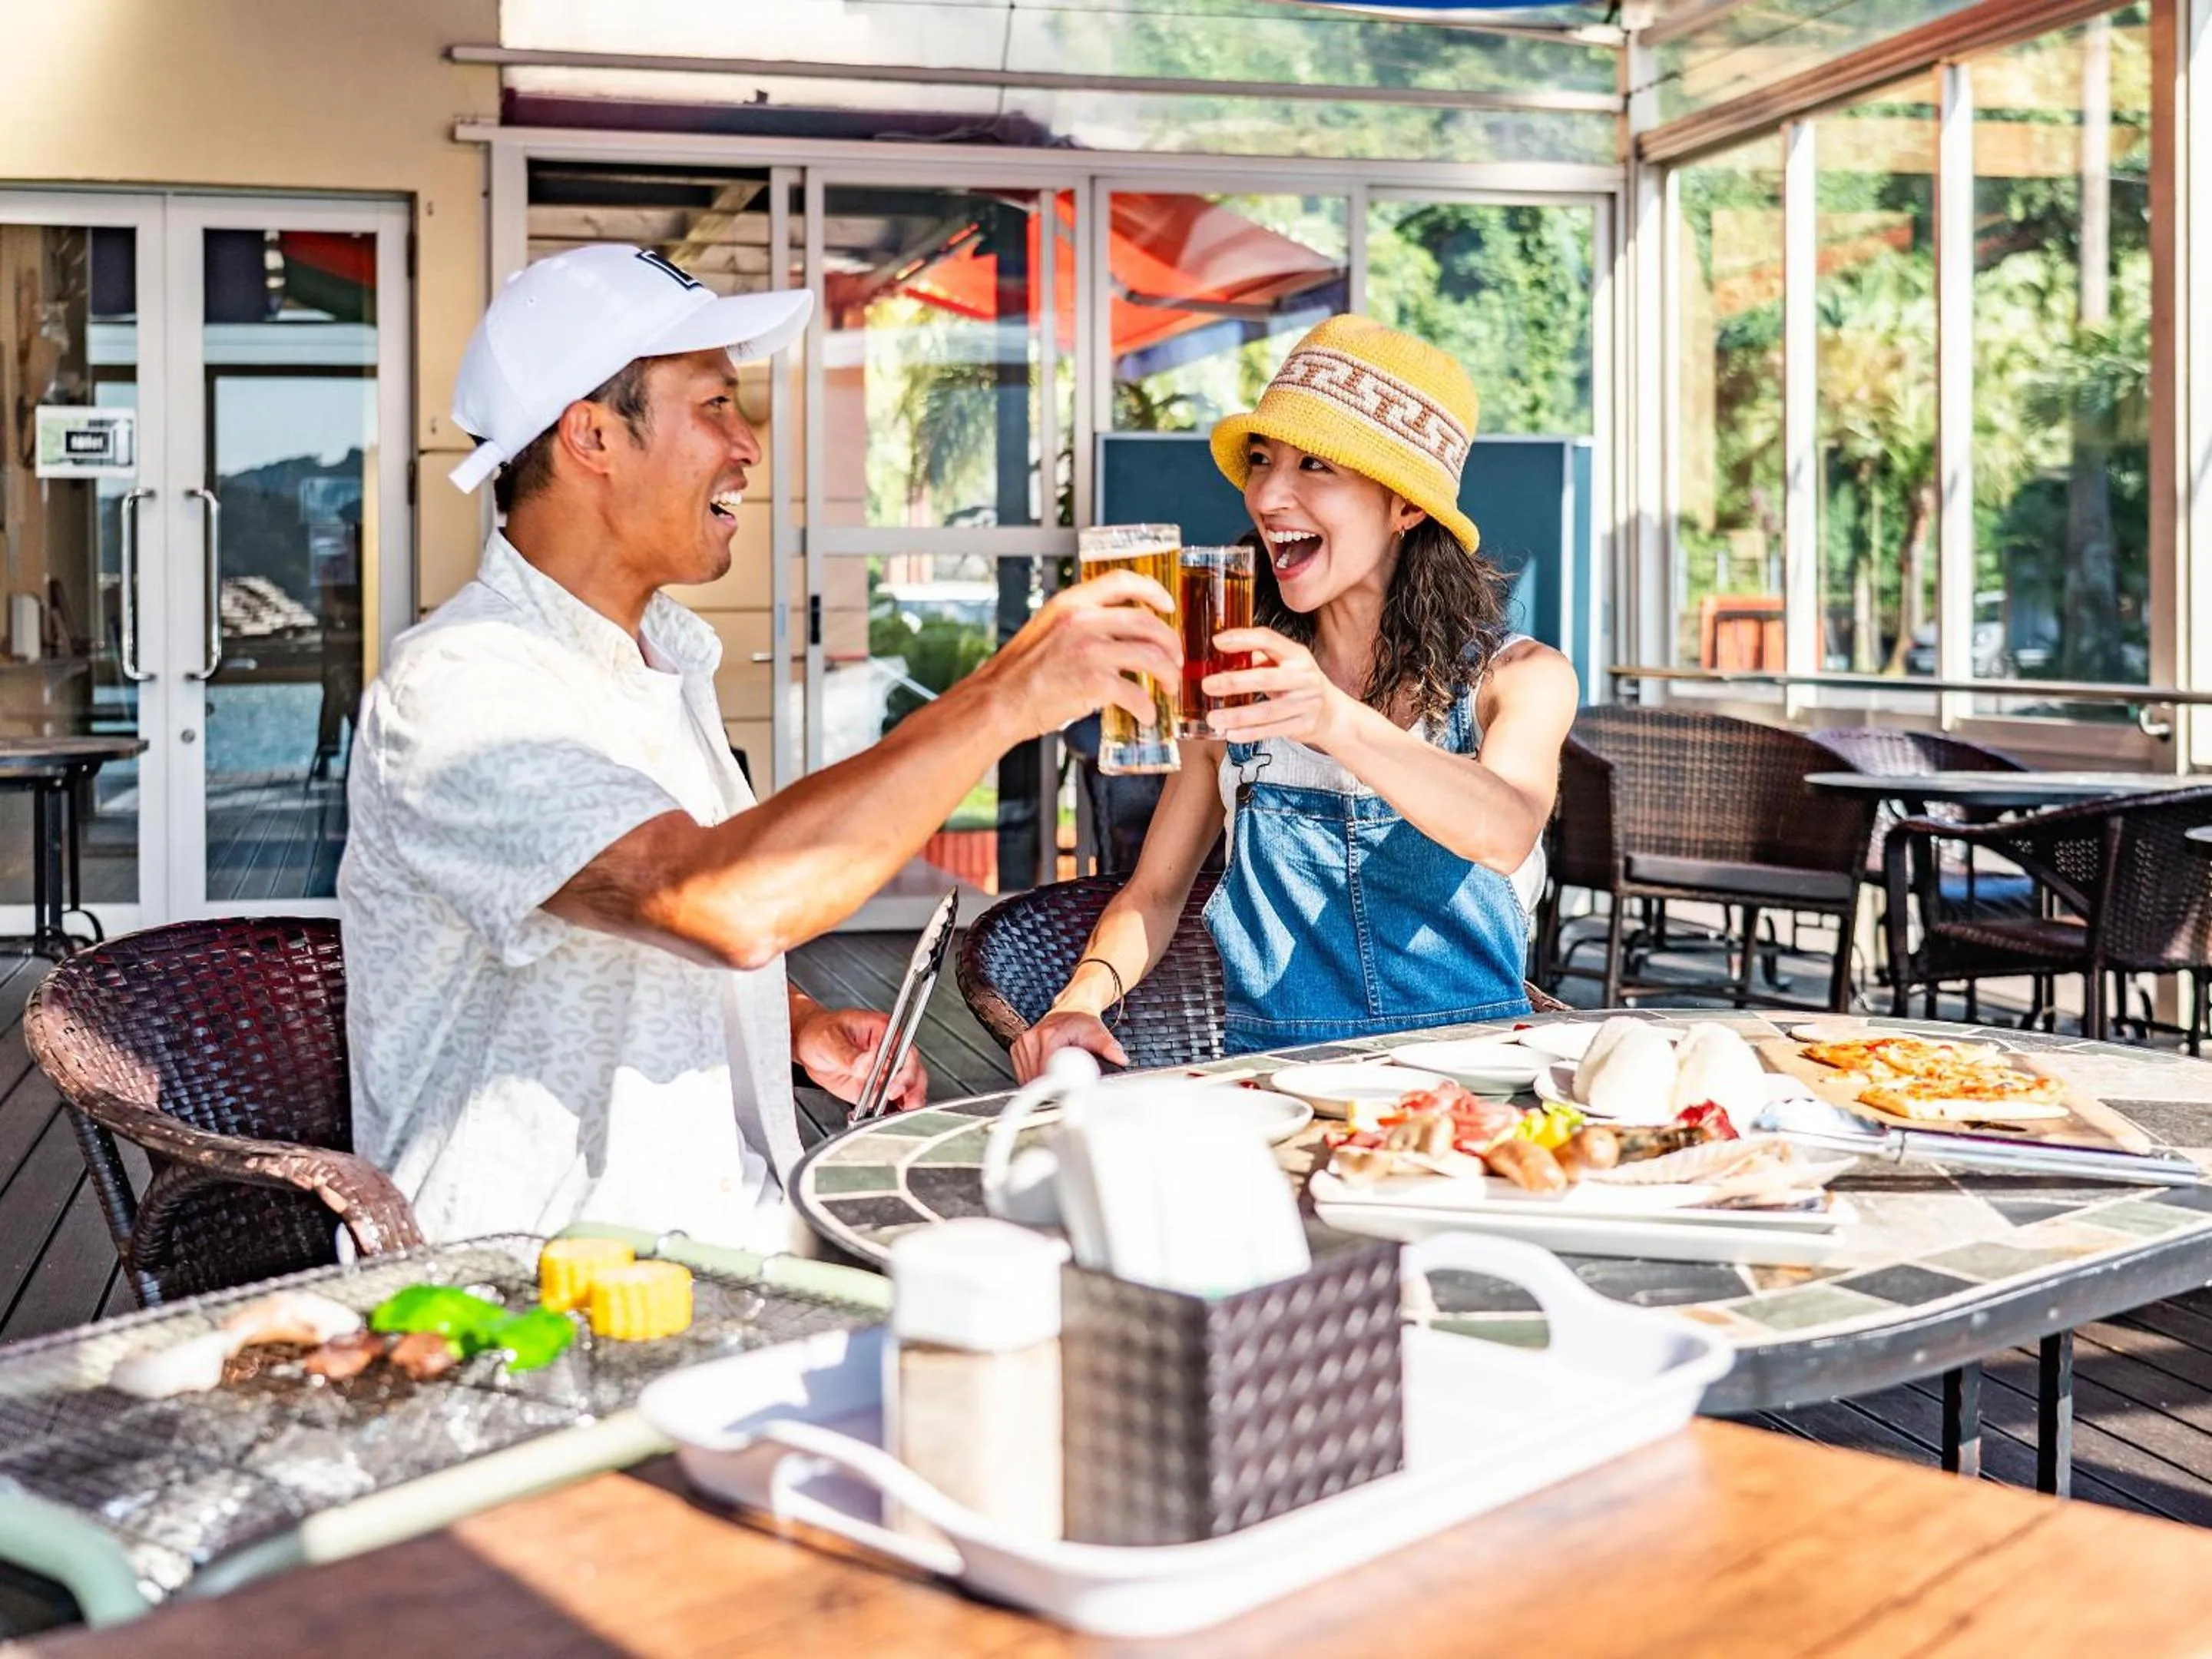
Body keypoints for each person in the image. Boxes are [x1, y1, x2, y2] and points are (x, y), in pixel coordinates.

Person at [339, 244, 1177, 1247]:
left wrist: (795, 1021)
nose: (748, 447)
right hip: (526, 1284)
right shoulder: (465, 685)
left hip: (716, 1235)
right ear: (592, 434)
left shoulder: (656, 663)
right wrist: (1004, 697)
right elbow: (717, 902)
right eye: (715, 406)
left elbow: (644, 922)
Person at [1013, 315, 1577, 1077]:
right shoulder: (1231, 684)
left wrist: (1332, 719)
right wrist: (1077, 1002)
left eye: (1316, 465)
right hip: (1278, 1086)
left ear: (1405, 506)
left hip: (1471, 1087)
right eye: (1261, 460)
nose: (1268, 495)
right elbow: (1154, 894)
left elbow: (1504, 828)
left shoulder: (1519, 678)